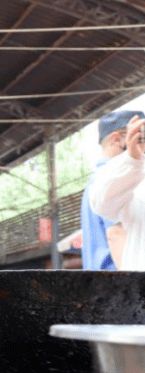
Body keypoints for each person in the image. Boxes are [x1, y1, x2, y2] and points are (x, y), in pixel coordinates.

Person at [81, 111, 139, 269]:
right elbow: (116, 234)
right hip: (119, 284)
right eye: (137, 136)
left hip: (100, 283)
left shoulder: (95, 180)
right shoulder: (114, 179)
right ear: (116, 138)